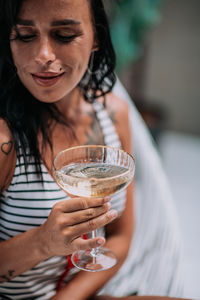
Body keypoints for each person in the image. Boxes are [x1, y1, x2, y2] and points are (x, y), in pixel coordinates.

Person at [0, 0, 184, 299]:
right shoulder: (5, 141)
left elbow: (121, 237)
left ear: (96, 36)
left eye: (63, 35)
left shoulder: (113, 115)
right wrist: (43, 242)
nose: (43, 55)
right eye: (24, 35)